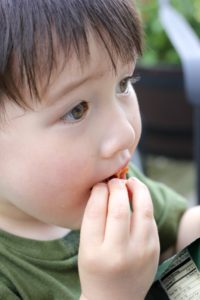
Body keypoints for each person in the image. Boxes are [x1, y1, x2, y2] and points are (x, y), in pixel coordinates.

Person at [0, 0, 198, 299]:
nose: (125, 133)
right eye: (77, 110)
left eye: (123, 84)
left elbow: (177, 239)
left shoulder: (113, 186)